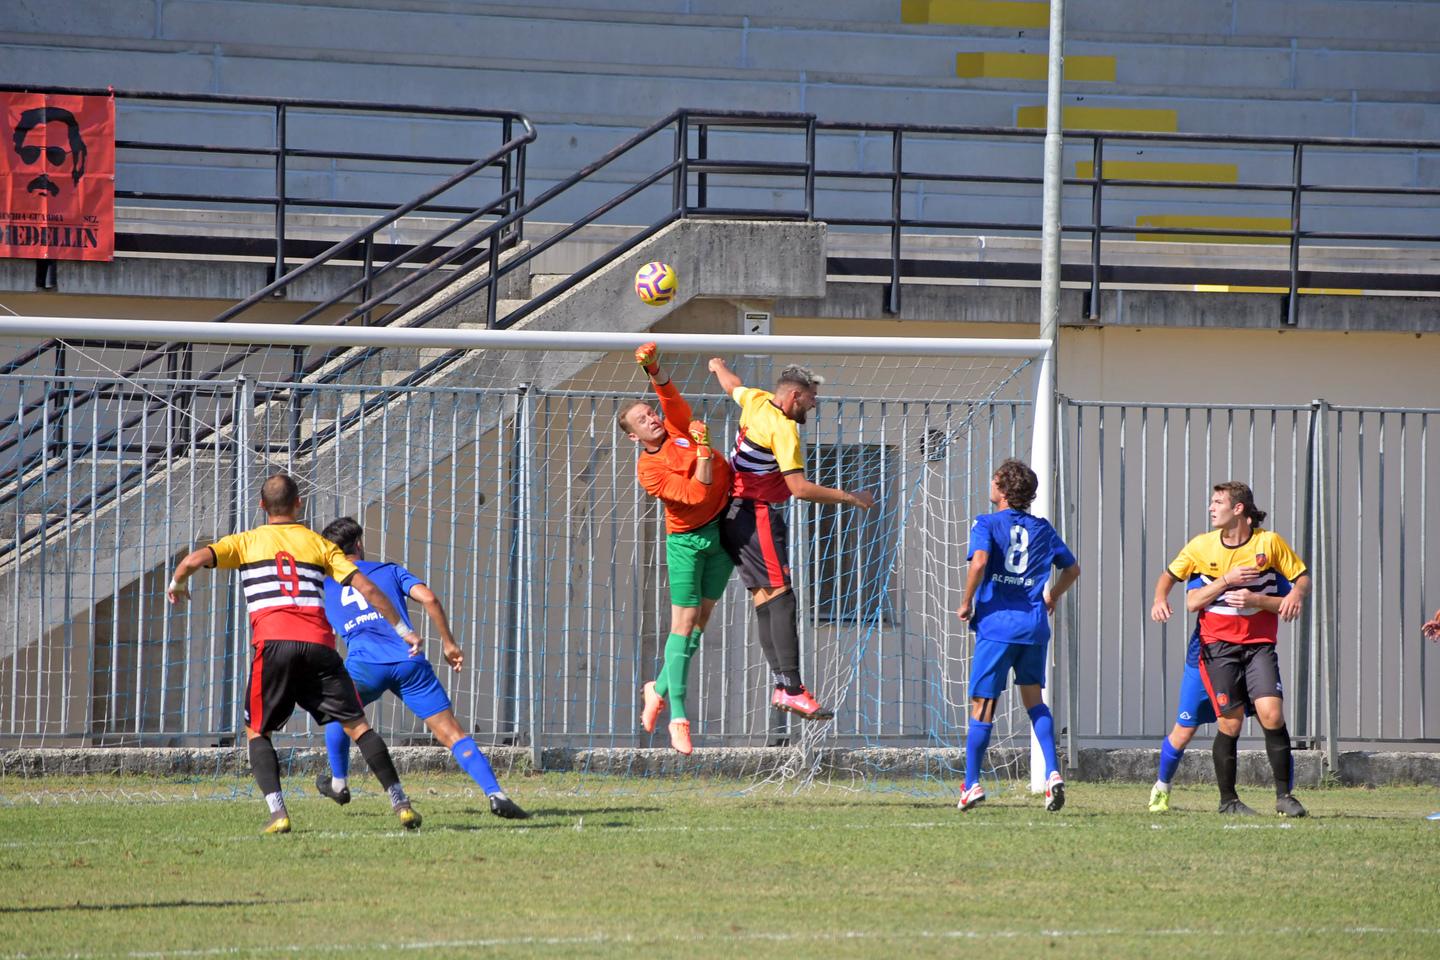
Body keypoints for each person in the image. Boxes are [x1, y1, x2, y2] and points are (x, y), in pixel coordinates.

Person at [165, 474, 421, 834]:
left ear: (261, 506)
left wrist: (177, 584)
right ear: (299, 504)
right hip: (319, 645)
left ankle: (278, 813)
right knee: (358, 725)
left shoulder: (245, 542)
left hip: (273, 646)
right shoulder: (318, 544)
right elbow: (368, 588)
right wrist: (403, 629)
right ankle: (401, 803)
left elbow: (193, 559)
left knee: (257, 731)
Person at [316, 517, 528, 818]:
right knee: (451, 732)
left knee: (340, 714)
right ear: (359, 545)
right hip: (409, 660)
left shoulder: (326, 583)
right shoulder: (389, 570)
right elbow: (429, 598)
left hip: (364, 665)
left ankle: (339, 782)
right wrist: (449, 643)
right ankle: (496, 794)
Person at [708, 357, 875, 721]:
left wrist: (717, 366)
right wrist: (852, 498)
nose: (814, 405)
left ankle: (783, 686)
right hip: (757, 515)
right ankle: (794, 690)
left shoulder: (756, 400)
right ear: (795, 396)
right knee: (783, 600)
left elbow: (731, 385)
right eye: (812, 398)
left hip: (734, 515)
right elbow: (798, 488)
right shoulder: (784, 429)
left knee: (767, 599)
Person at [1163, 481, 1312, 817]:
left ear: (1239, 508)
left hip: (1259, 646)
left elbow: (1302, 578)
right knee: (1229, 724)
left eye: (1218, 502)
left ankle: (1284, 796)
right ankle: (1228, 801)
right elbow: (1176, 586)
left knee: (1272, 714)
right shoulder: (1202, 547)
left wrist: (1291, 595)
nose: (1212, 508)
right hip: (1218, 648)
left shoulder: (1269, 543)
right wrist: (1162, 598)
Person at [618, 343, 735, 754]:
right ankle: (678, 716)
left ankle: (657, 688)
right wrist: (704, 451)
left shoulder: (678, 429)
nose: (651, 419)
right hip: (686, 541)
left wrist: (655, 369)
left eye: (649, 412)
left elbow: (673, 400)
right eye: (641, 420)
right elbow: (696, 493)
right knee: (682, 626)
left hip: (721, 533)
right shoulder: (648, 470)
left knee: (701, 625)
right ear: (634, 436)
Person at [954, 458, 1081, 813]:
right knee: (1034, 700)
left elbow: (979, 562)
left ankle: (971, 784)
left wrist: (965, 602)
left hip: (997, 627)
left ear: (1004, 490)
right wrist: (1052, 596)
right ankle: (1053, 773)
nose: (990, 485)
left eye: (995, 480)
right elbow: (1073, 569)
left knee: (983, 705)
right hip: (1034, 627)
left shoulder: (987, 523)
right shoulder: (1043, 528)